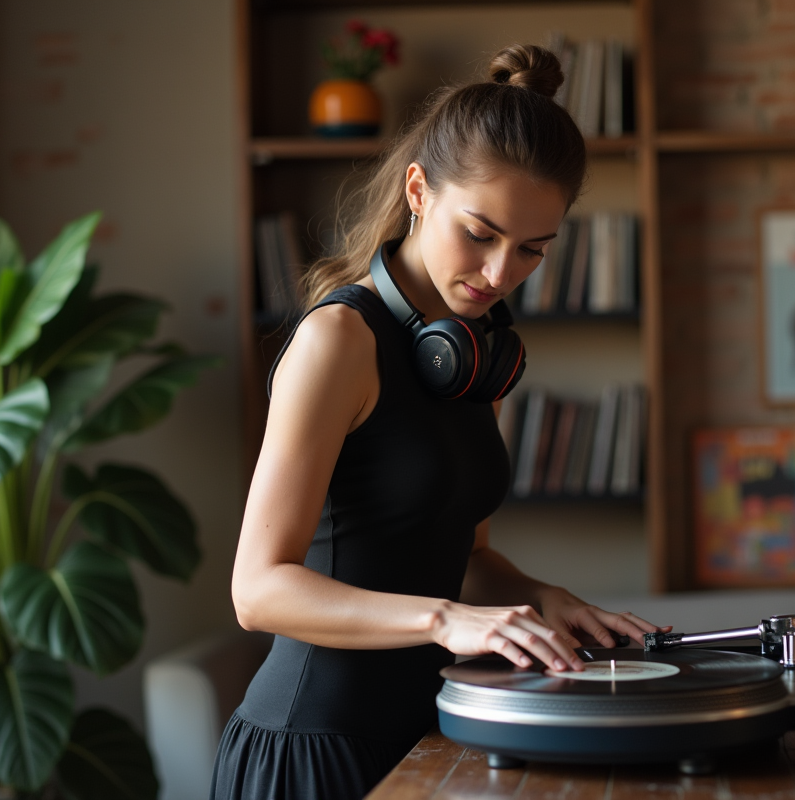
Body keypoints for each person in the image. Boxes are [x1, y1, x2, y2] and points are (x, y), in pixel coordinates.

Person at [214, 45, 669, 800]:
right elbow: (257, 592)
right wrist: (445, 621)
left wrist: (545, 598)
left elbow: (465, 553)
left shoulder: (472, 353)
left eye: (532, 251)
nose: (499, 274)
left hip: (426, 737)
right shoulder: (338, 342)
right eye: (480, 234)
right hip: (312, 752)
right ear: (419, 190)